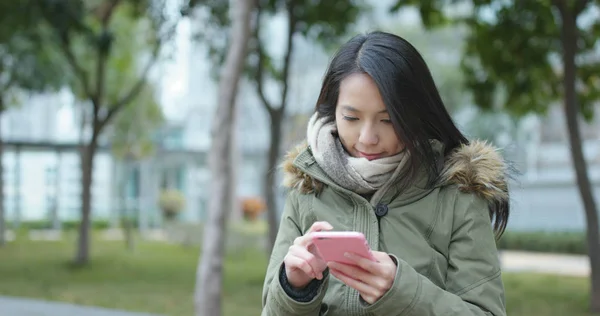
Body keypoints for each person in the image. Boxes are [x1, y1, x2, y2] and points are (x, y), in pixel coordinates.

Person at [261, 31, 510, 316]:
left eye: (388, 119)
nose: (367, 138)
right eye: (351, 118)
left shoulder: (459, 192)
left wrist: (402, 291)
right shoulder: (308, 185)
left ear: (415, 114)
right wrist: (294, 286)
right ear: (333, 112)